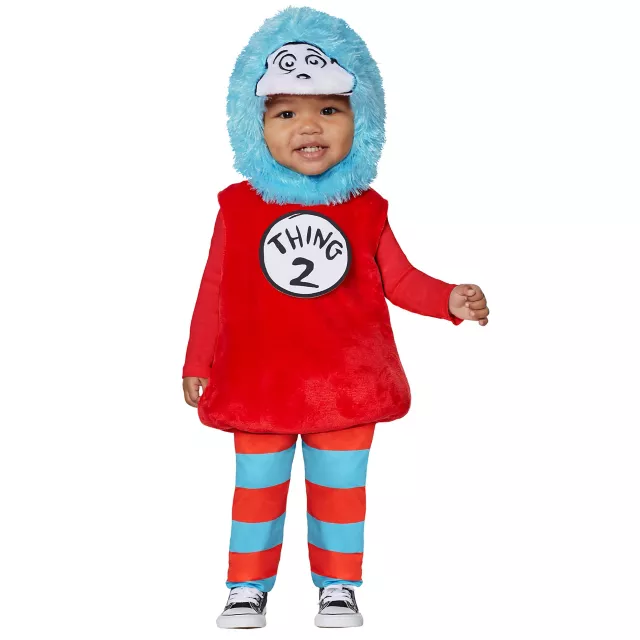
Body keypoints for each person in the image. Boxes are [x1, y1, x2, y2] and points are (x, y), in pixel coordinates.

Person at [182, 7, 489, 630]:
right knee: (256, 489)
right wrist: (197, 361)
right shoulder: (237, 208)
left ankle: (339, 586)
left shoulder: (365, 209)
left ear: (362, 119)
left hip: (344, 384)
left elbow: (399, 280)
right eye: (285, 113)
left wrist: (448, 300)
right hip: (259, 380)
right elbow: (213, 289)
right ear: (252, 123)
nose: (309, 126)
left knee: (342, 490)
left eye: (329, 108)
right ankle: (247, 586)